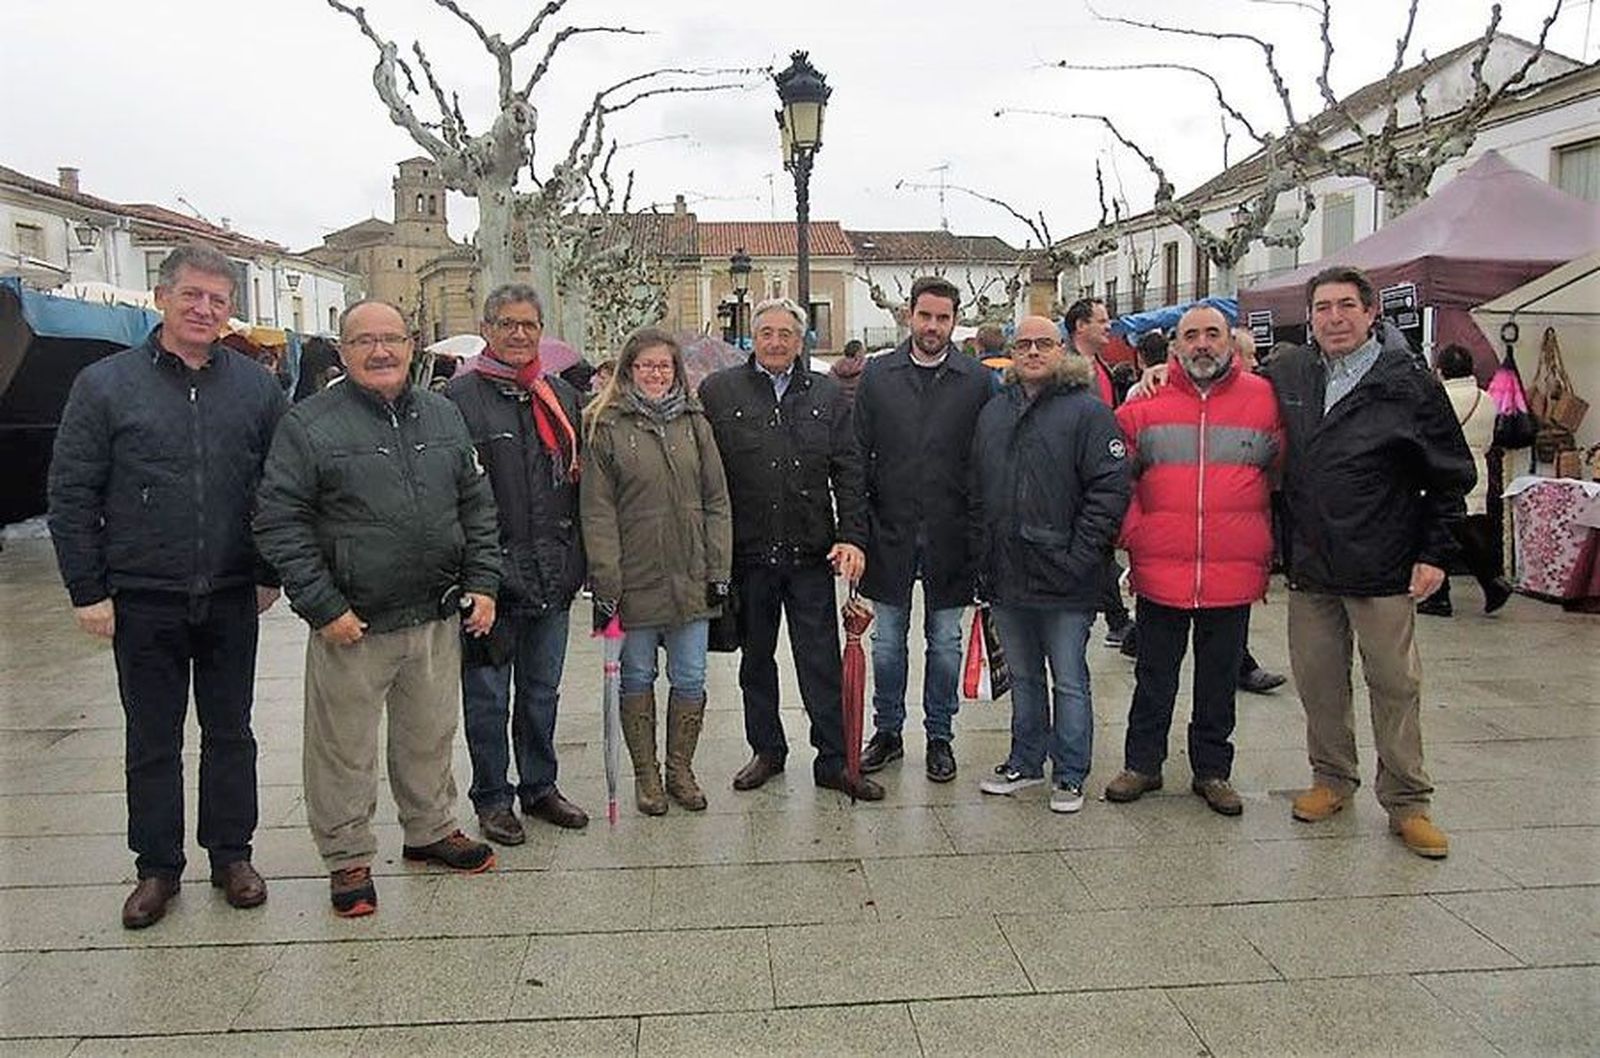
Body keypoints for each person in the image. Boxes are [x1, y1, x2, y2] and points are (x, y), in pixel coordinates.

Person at [48, 244, 286, 930]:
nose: (204, 309)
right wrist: (87, 589)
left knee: (231, 732)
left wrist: (268, 570)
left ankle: (232, 856)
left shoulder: (256, 388)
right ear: (162, 297)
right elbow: (71, 492)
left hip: (231, 592)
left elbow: (279, 487)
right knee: (152, 739)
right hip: (143, 594)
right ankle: (157, 867)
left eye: (218, 299)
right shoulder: (105, 385)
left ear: (230, 310)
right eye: (192, 296)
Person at [255, 299, 501, 917]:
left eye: (391, 338)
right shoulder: (309, 425)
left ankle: (430, 828)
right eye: (364, 341)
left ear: (412, 345)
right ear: (343, 351)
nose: (381, 351)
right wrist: (322, 605)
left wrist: (484, 582)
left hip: (434, 612)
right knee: (343, 748)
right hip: (352, 622)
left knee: (429, 734)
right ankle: (347, 856)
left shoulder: (443, 415)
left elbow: (476, 506)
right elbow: (279, 521)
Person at [1268, 266, 1475, 859]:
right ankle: (1332, 778)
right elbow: (1231, 387)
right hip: (1311, 565)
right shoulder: (1292, 373)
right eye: (1323, 308)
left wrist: (1434, 553)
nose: (1334, 318)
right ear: (1310, 317)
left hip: (1383, 562)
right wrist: (1159, 374)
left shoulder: (1407, 381)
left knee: (1394, 684)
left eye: (1346, 306)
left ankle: (1408, 802)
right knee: (1319, 682)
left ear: (1370, 312)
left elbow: (1451, 476)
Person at [700, 297, 882, 801]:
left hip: (810, 553)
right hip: (749, 554)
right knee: (755, 660)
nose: (776, 342)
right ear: (753, 338)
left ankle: (834, 759)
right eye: (767, 333)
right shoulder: (720, 391)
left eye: (786, 334)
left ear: (801, 341)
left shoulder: (827, 393)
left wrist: (852, 536)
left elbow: (849, 470)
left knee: (820, 661)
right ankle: (767, 750)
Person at [1104, 306, 1281, 817]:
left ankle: (1212, 770)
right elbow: (1116, 480)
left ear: (1230, 342)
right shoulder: (1144, 404)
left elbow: (1281, 471)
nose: (1202, 344)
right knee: (1154, 675)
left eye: (1212, 334)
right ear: (1175, 347)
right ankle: (1142, 764)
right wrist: (1134, 533)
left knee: (1219, 680)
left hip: (1231, 569)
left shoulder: (1264, 400)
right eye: (1191, 336)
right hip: (1162, 565)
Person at [444, 285, 589, 844]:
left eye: (528, 324)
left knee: (541, 691)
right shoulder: (459, 399)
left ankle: (539, 785)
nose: (519, 334)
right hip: (489, 580)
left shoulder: (559, 395)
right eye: (507, 323)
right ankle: (492, 797)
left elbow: (577, 486)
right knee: (487, 696)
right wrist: (473, 574)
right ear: (487, 328)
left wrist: (578, 562)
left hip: (553, 572)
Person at [971, 316, 1130, 812]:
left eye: (1044, 343)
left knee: (1069, 678)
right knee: (1022, 676)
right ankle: (1025, 760)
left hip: (1066, 574)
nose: (1033, 352)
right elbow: (977, 486)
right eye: (1024, 344)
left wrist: (1080, 556)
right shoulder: (995, 411)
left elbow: (1109, 490)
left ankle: (1070, 772)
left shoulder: (1088, 412)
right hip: (1007, 572)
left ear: (1061, 350)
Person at [580, 327, 732, 815]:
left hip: (690, 572)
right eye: (646, 365)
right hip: (635, 577)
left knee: (690, 676)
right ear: (629, 369)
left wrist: (719, 567)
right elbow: (597, 513)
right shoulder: (605, 425)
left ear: (676, 371)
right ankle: (646, 776)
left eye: (664, 365)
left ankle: (679, 770)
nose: (656, 373)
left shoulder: (695, 423)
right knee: (637, 676)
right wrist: (607, 581)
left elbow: (716, 500)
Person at [854, 276, 993, 783]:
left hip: (951, 533)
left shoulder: (977, 381)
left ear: (955, 321)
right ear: (909, 315)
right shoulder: (877, 376)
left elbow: (988, 459)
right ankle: (887, 731)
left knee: (946, 643)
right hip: (889, 529)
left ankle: (940, 736)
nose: (933, 326)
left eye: (943, 318)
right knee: (887, 643)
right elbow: (856, 455)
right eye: (925, 316)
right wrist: (856, 531)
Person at [1064, 297, 1136, 650]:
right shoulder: (1065, 369)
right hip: (1079, 480)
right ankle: (1113, 621)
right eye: (1102, 320)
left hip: (1105, 473)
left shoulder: (1102, 366)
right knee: (1097, 549)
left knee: (1103, 549)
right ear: (1081, 326)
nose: (1109, 326)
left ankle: (1115, 620)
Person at [1423, 344, 1512, 616]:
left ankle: (1439, 597)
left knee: (1440, 531)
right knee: (1467, 529)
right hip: (1477, 470)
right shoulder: (1486, 399)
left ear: (1440, 370)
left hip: (1444, 472)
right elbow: (1488, 441)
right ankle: (1492, 582)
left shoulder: (1437, 399)